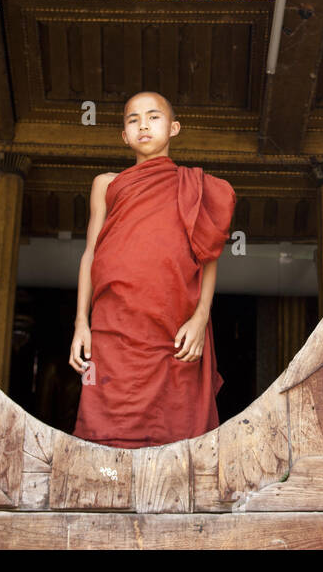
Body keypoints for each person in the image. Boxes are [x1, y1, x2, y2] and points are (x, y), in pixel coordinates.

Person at [69, 91, 236, 447]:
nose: (144, 124)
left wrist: (200, 318)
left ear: (174, 127)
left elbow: (208, 257)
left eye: (154, 116)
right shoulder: (107, 184)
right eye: (133, 120)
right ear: (124, 136)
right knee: (105, 425)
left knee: (176, 431)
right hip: (114, 325)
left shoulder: (194, 188)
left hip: (173, 328)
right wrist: (81, 322)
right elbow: (90, 254)